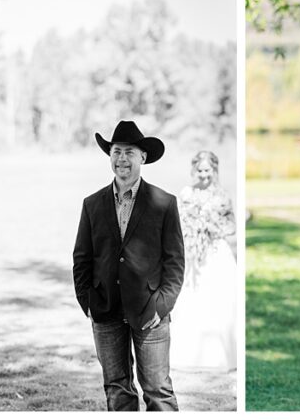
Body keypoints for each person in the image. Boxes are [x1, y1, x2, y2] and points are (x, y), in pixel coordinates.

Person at [72, 120, 184, 411]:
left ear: (142, 157)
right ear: (110, 156)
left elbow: (175, 261)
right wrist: (88, 301)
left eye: (129, 152)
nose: (122, 159)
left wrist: (162, 306)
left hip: (149, 311)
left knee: (158, 390)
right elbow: (81, 258)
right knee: (117, 390)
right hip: (105, 310)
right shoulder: (92, 204)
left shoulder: (164, 202)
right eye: (117, 151)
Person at [170, 151, 237, 371]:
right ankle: (188, 356)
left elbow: (231, 227)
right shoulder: (186, 194)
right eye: (200, 170)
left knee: (217, 301)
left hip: (216, 252)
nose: (204, 175)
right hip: (192, 254)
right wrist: (192, 229)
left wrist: (209, 225)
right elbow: (177, 223)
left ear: (215, 171)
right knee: (191, 302)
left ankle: (219, 357)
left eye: (208, 170)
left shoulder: (222, 197)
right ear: (193, 170)